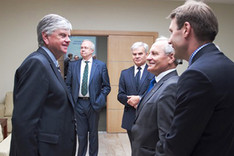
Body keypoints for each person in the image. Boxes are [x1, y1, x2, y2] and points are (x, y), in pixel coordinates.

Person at [160, 1, 234, 156]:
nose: (169, 40)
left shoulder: (196, 75)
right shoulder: (228, 65)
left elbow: (178, 144)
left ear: (186, 29)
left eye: (172, 31)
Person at [10, 14, 76, 156]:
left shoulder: (49, 63)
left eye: (68, 36)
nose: (68, 40)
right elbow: (24, 122)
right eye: (63, 35)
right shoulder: (37, 63)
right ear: (45, 37)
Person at [131, 37, 179, 156]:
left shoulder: (171, 86)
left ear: (171, 58)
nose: (148, 58)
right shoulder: (158, 82)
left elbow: (166, 138)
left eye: (154, 54)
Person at [66, 39, 111, 156]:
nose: (82, 49)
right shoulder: (73, 65)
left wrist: (99, 101)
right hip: (78, 104)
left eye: (85, 47)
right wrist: (72, 101)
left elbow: (106, 87)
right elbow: (68, 85)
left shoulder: (100, 66)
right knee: (81, 134)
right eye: (81, 47)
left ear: (92, 50)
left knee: (93, 134)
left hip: (93, 104)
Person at [117, 42, 154, 149]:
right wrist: (131, 101)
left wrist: (139, 100)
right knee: (134, 148)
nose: (137, 56)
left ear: (146, 55)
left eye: (140, 53)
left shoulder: (153, 72)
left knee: (146, 149)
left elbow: (155, 93)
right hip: (130, 118)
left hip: (148, 118)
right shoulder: (125, 73)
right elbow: (120, 95)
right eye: (134, 54)